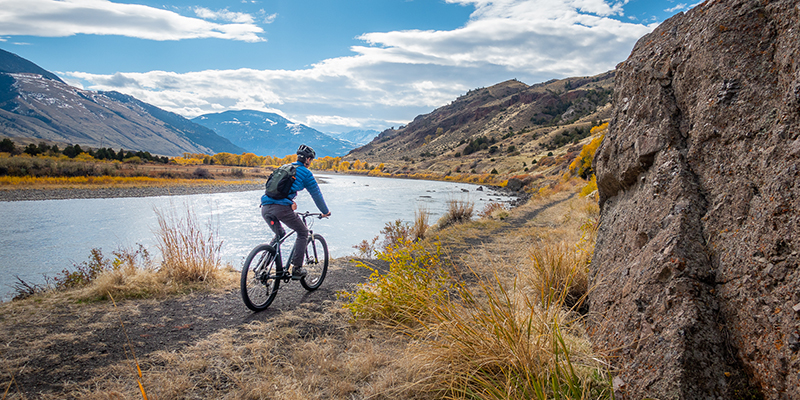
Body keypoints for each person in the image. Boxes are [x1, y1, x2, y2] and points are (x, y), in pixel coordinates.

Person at [261, 144, 331, 279]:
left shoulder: (284, 167)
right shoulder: (305, 173)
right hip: (281, 209)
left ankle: (263, 265)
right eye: (311, 160)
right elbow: (316, 194)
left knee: (280, 233)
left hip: (265, 207)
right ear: (308, 159)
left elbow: (275, 190)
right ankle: (297, 268)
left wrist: (289, 202)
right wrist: (325, 211)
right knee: (303, 232)